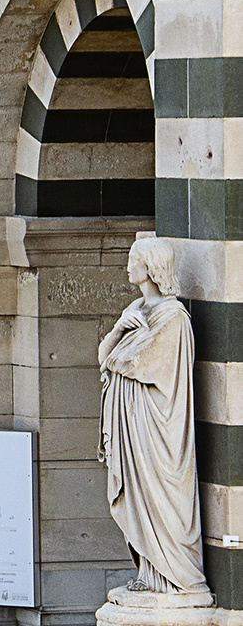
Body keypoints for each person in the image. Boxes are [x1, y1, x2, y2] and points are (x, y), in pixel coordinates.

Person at [99, 236, 209, 600]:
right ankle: (152, 573)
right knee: (140, 496)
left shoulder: (173, 318)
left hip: (159, 431)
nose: (128, 265)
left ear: (150, 267)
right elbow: (105, 355)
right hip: (136, 428)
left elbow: (127, 362)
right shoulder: (138, 310)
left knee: (163, 497)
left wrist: (119, 347)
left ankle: (177, 577)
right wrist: (118, 328)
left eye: (133, 259)